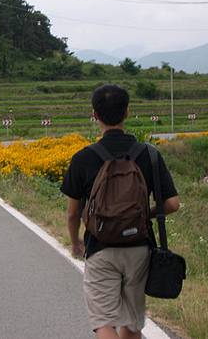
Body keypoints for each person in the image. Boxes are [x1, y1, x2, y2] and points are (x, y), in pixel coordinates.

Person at [61, 84, 180, 339]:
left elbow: (72, 213)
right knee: (132, 322)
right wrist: (141, 216)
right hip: (139, 248)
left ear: (94, 115)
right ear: (127, 112)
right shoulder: (149, 154)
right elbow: (172, 204)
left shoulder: (83, 158)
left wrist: (75, 243)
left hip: (100, 248)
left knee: (104, 322)